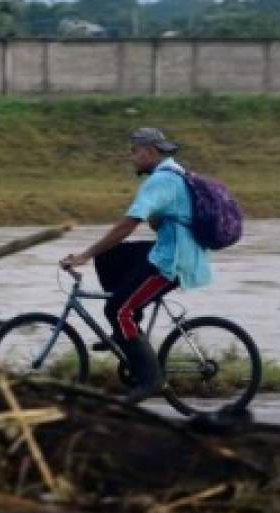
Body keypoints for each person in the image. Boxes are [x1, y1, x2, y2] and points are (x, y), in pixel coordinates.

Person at [59, 127, 211, 403]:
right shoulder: (176, 172)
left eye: (134, 151)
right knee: (110, 256)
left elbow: (128, 225)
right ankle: (126, 331)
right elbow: (161, 219)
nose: (131, 157)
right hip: (169, 250)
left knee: (118, 310)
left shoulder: (161, 181)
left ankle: (151, 379)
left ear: (150, 152)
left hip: (171, 261)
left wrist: (85, 255)